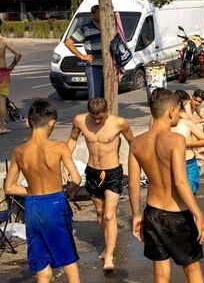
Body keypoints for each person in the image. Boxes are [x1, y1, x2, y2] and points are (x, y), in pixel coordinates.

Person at [128, 88, 204, 283]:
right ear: (171, 112)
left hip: (152, 212)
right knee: (192, 267)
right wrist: (198, 214)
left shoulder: (137, 143)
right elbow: (181, 182)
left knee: (161, 273)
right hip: (177, 215)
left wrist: (137, 214)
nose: (179, 114)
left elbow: (132, 184)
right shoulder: (176, 140)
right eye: (179, 111)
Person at [4, 100, 82, 283]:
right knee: (68, 261)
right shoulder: (59, 147)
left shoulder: (19, 151)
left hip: (33, 207)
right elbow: (77, 179)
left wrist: (31, 190)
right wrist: (69, 191)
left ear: (28, 122)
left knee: (42, 267)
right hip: (55, 204)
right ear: (52, 123)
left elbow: (9, 188)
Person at [67, 97, 134, 271]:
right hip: (92, 172)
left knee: (110, 215)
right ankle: (107, 244)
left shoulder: (119, 123)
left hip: (112, 172)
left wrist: (138, 167)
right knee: (99, 212)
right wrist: (64, 161)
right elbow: (72, 139)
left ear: (107, 110)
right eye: (94, 117)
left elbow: (133, 143)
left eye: (100, 117)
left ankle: (109, 256)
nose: (97, 121)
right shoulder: (80, 120)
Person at [173, 90, 204, 194]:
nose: (183, 109)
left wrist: (187, 144)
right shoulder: (164, 123)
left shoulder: (185, 122)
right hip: (174, 163)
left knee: (189, 194)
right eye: (183, 106)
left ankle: (197, 153)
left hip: (188, 162)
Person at [64, 5, 104, 99]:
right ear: (92, 14)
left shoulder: (107, 27)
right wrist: (82, 56)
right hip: (94, 67)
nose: (101, 16)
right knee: (94, 97)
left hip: (108, 67)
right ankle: (93, 114)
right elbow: (68, 42)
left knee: (106, 96)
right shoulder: (85, 29)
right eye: (99, 13)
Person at [0, 22, 22, 135]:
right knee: (2, 101)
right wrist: (12, 65)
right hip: (2, 72)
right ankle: (1, 127)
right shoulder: (4, 41)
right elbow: (18, 53)